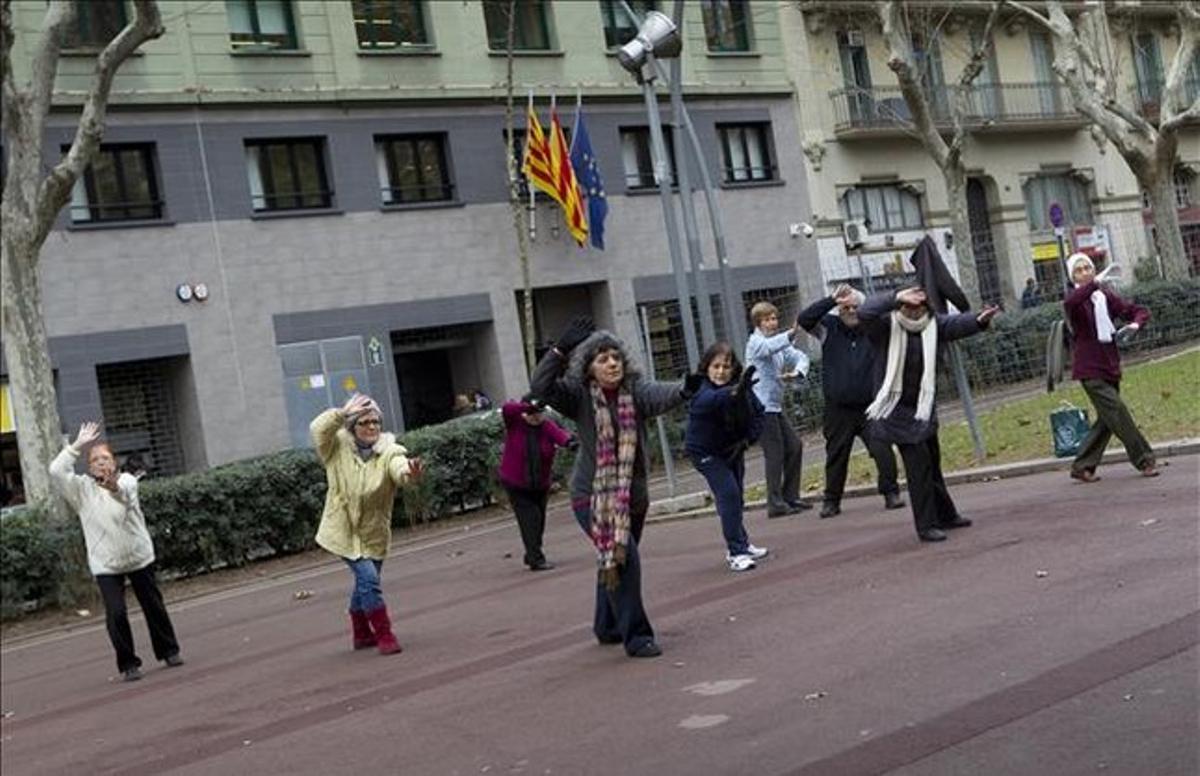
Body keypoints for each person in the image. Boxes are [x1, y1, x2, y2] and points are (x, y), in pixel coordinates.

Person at [531, 316, 697, 658]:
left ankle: (606, 625)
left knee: (613, 556)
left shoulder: (634, 393)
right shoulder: (577, 397)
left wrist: (685, 389)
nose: (611, 363)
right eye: (602, 358)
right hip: (590, 498)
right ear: (589, 367)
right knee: (624, 560)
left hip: (632, 500)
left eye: (616, 357)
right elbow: (541, 386)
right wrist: (559, 350)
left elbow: (660, 395)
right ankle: (636, 636)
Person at [858, 288, 1000, 542]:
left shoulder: (933, 326)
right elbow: (865, 311)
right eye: (909, 306)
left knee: (933, 464)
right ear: (900, 306)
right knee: (919, 468)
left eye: (920, 306)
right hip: (894, 411)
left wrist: (979, 320)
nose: (914, 311)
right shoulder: (883, 327)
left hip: (923, 408)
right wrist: (896, 296)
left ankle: (946, 514)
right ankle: (926, 525)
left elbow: (956, 324)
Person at [49, 422, 184, 681]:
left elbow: (124, 498)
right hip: (106, 564)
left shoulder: (128, 481)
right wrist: (77, 445)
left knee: (153, 605)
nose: (101, 463)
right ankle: (128, 664)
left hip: (138, 556)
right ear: (89, 467)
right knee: (117, 612)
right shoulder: (80, 490)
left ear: (114, 463)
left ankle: (169, 650)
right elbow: (56, 469)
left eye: (105, 458)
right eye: (95, 459)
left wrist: (113, 488)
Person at [312, 394, 420, 655]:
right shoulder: (335, 447)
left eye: (376, 422)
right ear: (352, 426)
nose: (371, 427)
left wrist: (409, 472)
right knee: (369, 580)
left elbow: (399, 467)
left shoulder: (389, 450)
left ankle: (361, 634)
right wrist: (342, 412)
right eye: (364, 422)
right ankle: (385, 635)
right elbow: (318, 428)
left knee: (365, 584)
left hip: (373, 533)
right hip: (342, 532)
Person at [797, 284, 904, 518]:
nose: (851, 312)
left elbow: (890, 313)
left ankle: (891, 493)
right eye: (845, 308)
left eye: (856, 307)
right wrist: (832, 300)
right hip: (838, 409)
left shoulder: (874, 328)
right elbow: (804, 319)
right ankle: (831, 500)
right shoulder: (828, 328)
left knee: (882, 449)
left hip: (871, 406)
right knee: (837, 455)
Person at [1063, 253, 1158, 482]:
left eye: (1089, 268)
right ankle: (1144, 459)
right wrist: (1095, 283)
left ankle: (1082, 465)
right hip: (1089, 369)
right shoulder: (1075, 301)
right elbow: (1071, 302)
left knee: (1108, 419)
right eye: (1079, 270)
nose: (1086, 272)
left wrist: (1135, 323)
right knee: (1118, 412)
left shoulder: (1104, 296)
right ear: (1072, 276)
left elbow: (1134, 310)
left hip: (1110, 366)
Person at [685, 342, 769, 572]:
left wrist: (748, 439)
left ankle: (742, 542)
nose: (721, 371)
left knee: (737, 496)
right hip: (705, 453)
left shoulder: (741, 387)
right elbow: (709, 401)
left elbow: (759, 413)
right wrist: (734, 393)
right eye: (716, 366)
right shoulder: (701, 389)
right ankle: (736, 552)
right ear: (707, 367)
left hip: (732, 449)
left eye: (726, 366)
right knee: (728, 493)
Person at [744, 301, 810, 517]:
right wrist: (790, 334)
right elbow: (768, 349)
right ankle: (775, 503)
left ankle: (790, 496)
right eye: (767, 319)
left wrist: (798, 372)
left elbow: (800, 356)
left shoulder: (777, 342)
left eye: (774, 318)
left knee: (794, 446)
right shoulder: (755, 343)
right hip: (760, 407)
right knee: (775, 453)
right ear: (758, 322)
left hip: (774, 406)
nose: (772, 323)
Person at [498, 395, 576, 571]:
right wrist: (527, 406)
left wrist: (571, 443)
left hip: (540, 484)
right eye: (532, 413)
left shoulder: (546, 426)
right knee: (530, 519)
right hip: (516, 483)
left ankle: (531, 553)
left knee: (538, 522)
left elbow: (560, 436)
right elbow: (507, 408)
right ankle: (536, 559)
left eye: (539, 413)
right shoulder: (515, 424)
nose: (536, 417)